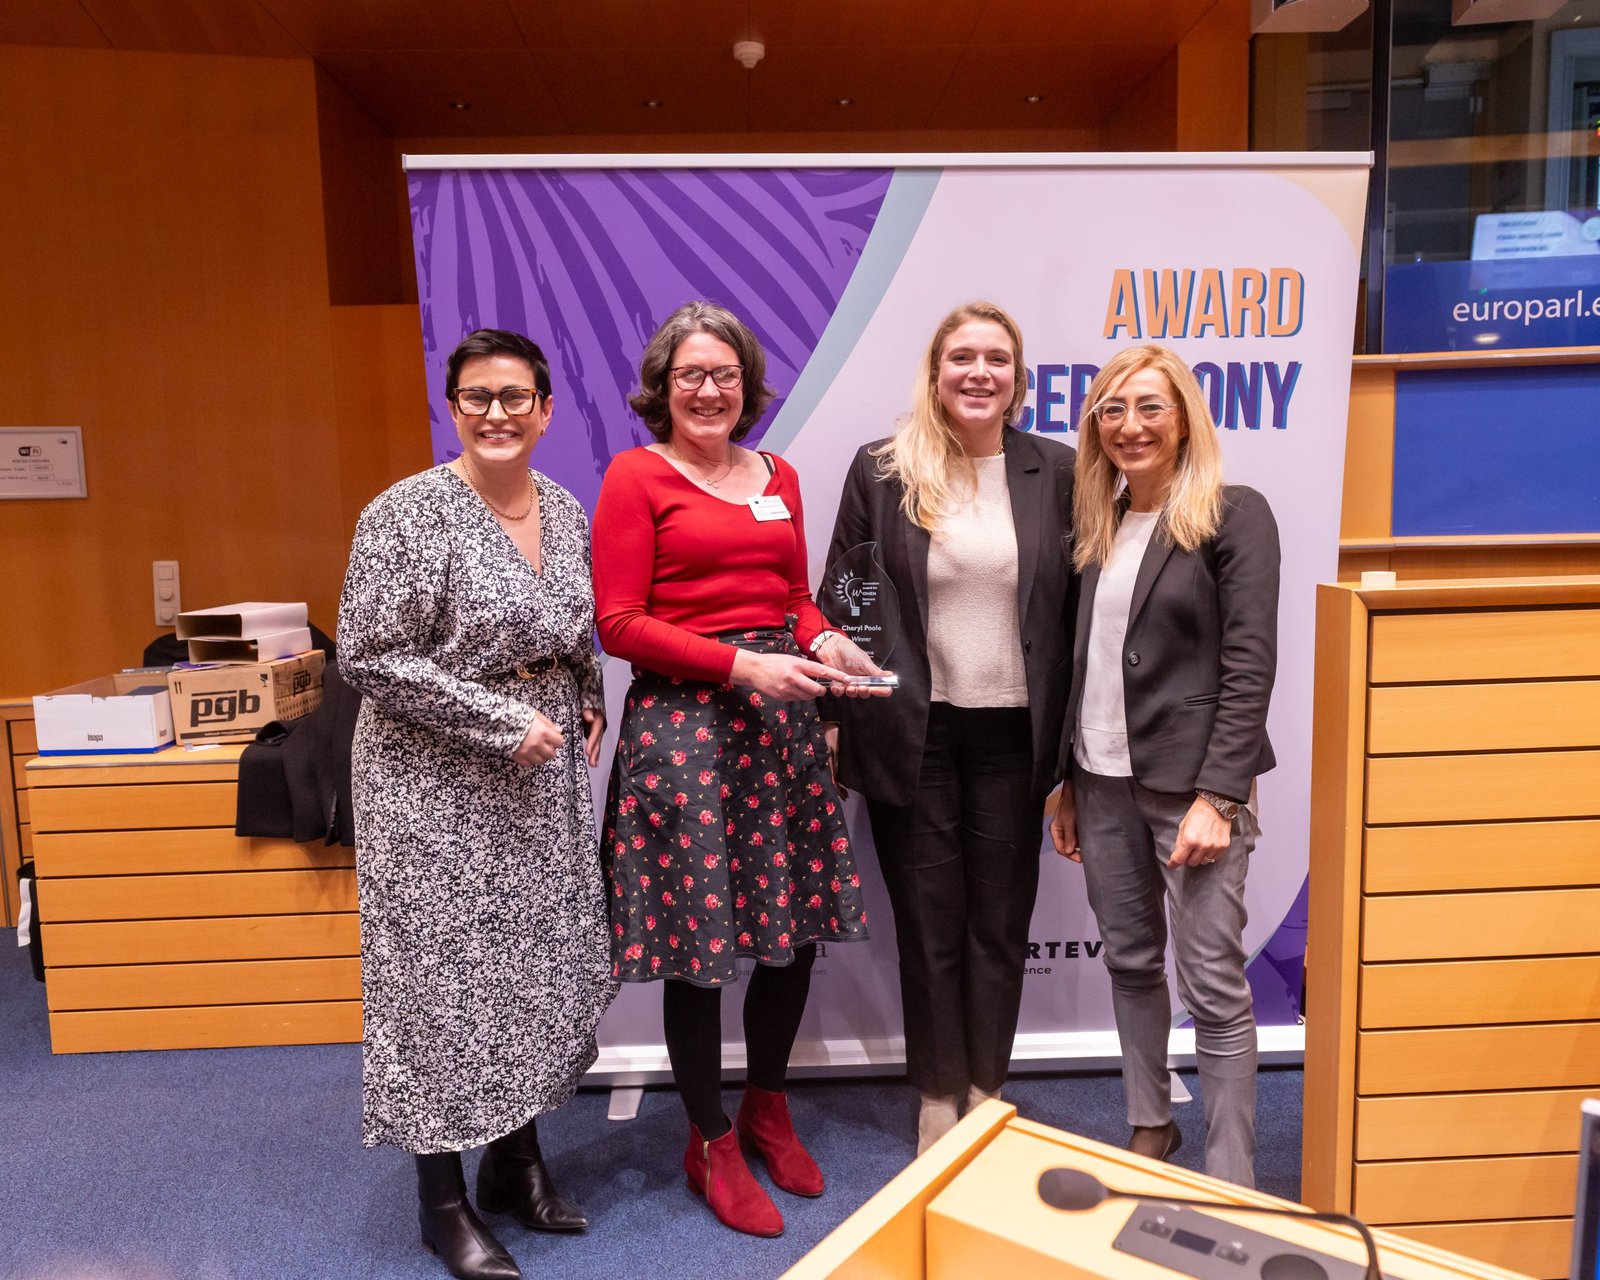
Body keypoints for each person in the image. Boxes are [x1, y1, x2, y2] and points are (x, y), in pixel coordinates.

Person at [592, 300, 877, 1238]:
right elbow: (619, 623)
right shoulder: (636, 478)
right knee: (704, 946)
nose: (708, 390)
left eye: (723, 375)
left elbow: (792, 597)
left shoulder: (779, 474)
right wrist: (742, 663)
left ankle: (767, 1104)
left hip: (783, 723)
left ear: (747, 386)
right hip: (687, 729)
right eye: (689, 376)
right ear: (663, 389)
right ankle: (709, 1137)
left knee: (788, 933)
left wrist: (828, 641)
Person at [339, 329, 617, 1280]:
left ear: (545, 408)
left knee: (534, 967)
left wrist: (588, 695)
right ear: (452, 408)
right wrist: (501, 723)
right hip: (430, 786)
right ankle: (442, 1198)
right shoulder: (405, 514)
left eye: (514, 396)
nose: (496, 413)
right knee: (444, 984)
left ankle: (516, 1159)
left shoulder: (569, 509)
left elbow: (574, 629)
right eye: (475, 398)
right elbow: (370, 656)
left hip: (539, 782)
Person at [821, 301, 1076, 1153]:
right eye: (961, 357)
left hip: (1015, 736)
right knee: (930, 923)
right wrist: (835, 716)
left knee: (999, 923)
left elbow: (1075, 615)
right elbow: (847, 599)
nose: (979, 372)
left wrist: (1073, 751)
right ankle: (936, 1092)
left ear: (1017, 378)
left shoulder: (1058, 471)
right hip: (914, 733)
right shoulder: (883, 469)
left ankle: (986, 1086)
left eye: (996, 358)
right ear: (935, 374)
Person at [1048, 343, 1279, 1189]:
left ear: (1183, 417)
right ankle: (1152, 1126)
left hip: (1195, 792)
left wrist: (1220, 795)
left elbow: (1250, 665)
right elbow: (1085, 660)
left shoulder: (1232, 512)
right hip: (1100, 781)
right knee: (1132, 962)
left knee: (1213, 983)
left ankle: (1231, 1176)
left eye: (1150, 406)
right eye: (1112, 409)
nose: (1130, 425)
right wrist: (1068, 782)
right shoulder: (1097, 520)